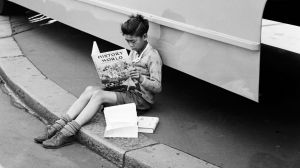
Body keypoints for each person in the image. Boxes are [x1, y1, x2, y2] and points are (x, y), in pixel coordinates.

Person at [34, 14, 163, 149]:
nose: (130, 45)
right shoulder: (134, 51)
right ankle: (58, 126)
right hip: (127, 90)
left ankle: (67, 133)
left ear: (144, 36)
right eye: (127, 41)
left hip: (141, 99)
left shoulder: (152, 56)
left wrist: (141, 78)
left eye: (133, 41)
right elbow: (127, 74)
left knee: (99, 95)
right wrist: (113, 77)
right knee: (90, 89)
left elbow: (158, 87)